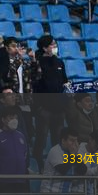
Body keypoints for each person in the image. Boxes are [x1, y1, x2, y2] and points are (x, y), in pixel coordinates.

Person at [32, 35, 68, 171]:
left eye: (55, 44)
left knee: (58, 139)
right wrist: (39, 107)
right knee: (41, 137)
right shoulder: (38, 63)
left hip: (59, 108)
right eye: (52, 45)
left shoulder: (59, 62)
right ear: (44, 47)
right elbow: (35, 85)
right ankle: (38, 163)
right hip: (44, 109)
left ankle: (57, 165)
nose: (55, 47)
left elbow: (64, 81)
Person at [40, 128, 86, 195]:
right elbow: (62, 170)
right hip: (51, 194)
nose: (75, 144)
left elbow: (83, 170)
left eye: (76, 141)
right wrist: (73, 155)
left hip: (66, 194)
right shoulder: (55, 151)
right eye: (72, 140)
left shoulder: (74, 153)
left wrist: (76, 156)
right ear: (63, 141)